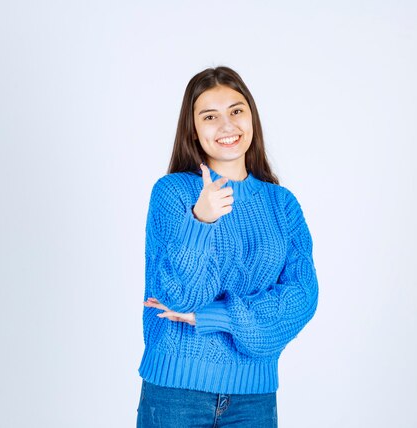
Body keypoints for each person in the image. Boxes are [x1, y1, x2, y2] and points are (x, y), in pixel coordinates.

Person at [136, 65, 319, 427]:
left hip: (254, 398)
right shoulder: (173, 193)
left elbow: (302, 297)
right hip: (176, 393)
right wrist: (200, 221)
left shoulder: (281, 204)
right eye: (210, 116)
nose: (227, 126)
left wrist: (215, 317)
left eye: (236, 111)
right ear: (193, 130)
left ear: (252, 116)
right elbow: (177, 297)